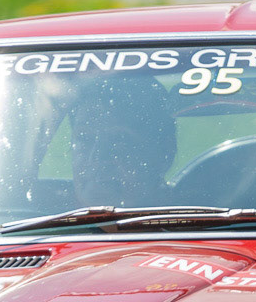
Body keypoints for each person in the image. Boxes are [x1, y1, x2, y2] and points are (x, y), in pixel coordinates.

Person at [67, 74, 179, 207]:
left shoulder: (197, 224)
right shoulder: (41, 220)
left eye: (119, 140)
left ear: (165, 152)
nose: (96, 158)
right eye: (84, 139)